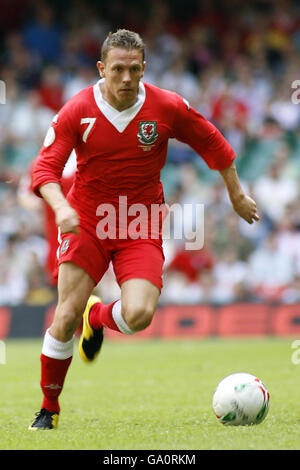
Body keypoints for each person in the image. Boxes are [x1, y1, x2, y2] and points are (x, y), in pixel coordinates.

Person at [28, 29, 259, 430]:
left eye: (134, 69)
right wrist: (61, 206)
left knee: (138, 315)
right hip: (87, 220)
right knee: (63, 316)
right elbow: (45, 169)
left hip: (141, 222)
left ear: (144, 69)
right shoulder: (77, 109)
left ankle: (96, 317)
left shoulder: (166, 106)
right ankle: (49, 409)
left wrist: (236, 194)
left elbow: (213, 143)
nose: (126, 78)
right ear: (102, 69)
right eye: (117, 69)